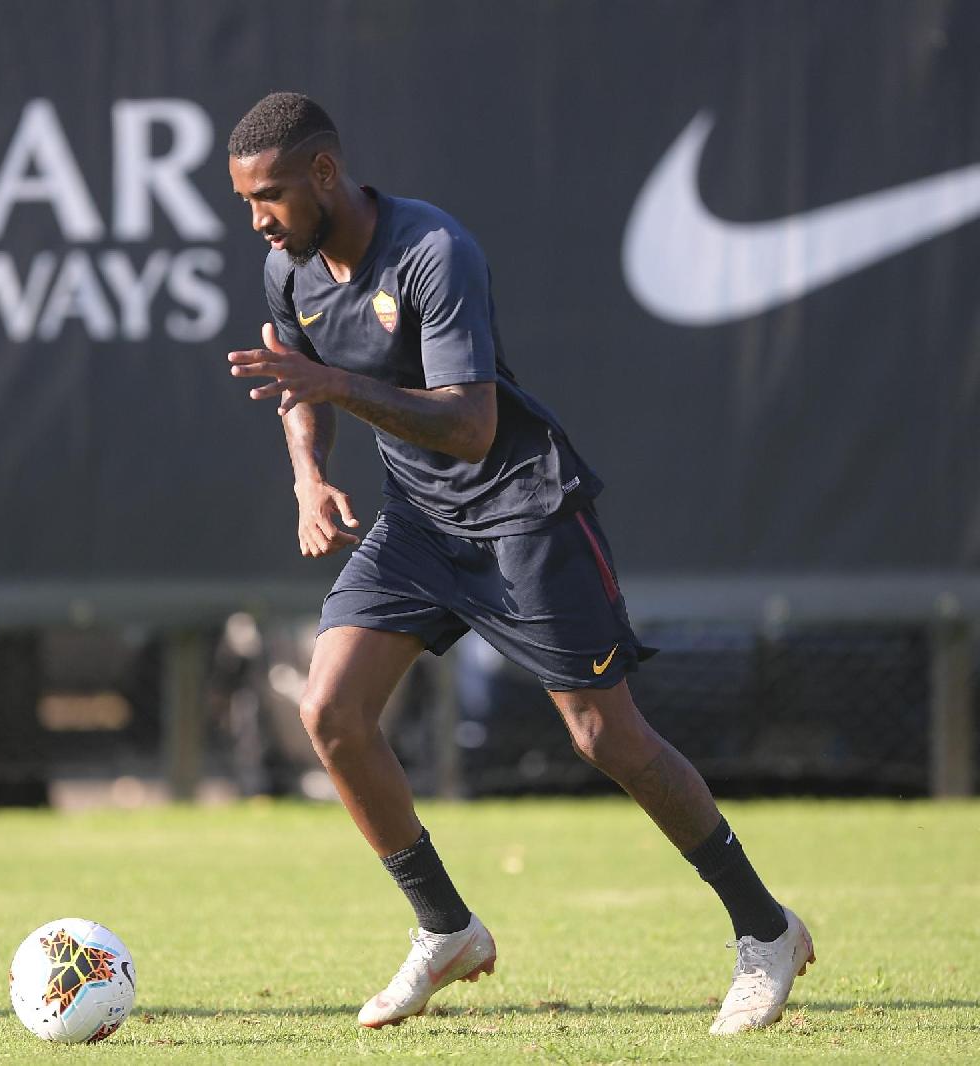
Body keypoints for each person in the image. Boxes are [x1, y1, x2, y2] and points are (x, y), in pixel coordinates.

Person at [222, 91, 813, 1035]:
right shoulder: (286, 270)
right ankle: (446, 928)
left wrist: (338, 382)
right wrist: (308, 476)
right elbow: (296, 380)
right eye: (247, 200)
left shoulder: (431, 252)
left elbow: (470, 423)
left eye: (273, 196)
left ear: (326, 174)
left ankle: (765, 929)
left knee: (607, 741)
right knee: (329, 712)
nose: (258, 219)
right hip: (420, 525)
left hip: (521, 514)